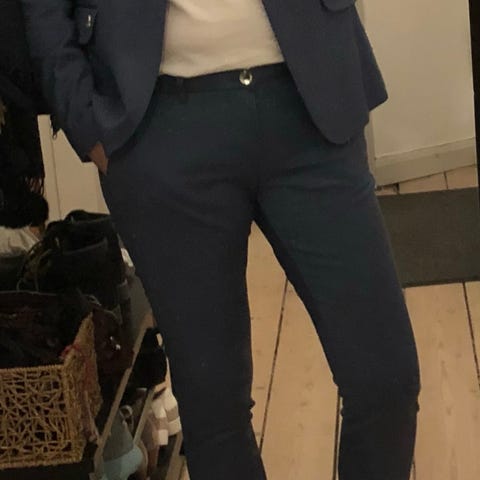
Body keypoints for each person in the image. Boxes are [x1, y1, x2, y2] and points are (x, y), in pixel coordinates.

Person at [19, 1, 421, 479]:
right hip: (159, 122)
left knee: (386, 380)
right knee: (214, 408)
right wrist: (85, 122)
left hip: (311, 105)